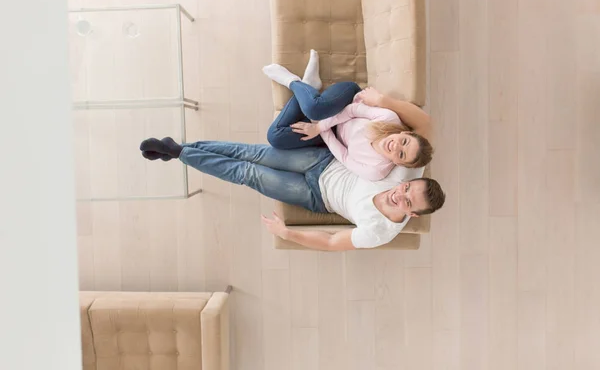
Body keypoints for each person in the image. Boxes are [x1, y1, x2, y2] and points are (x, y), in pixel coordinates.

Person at [139, 138, 446, 251]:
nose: (398, 195)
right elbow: (423, 136)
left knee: (249, 173)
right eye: (405, 189)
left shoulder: (381, 232)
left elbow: (330, 242)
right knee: (253, 153)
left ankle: (179, 152)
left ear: (412, 214)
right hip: (323, 160)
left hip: (315, 195)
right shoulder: (407, 174)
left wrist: (286, 233)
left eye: (407, 202)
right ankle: (181, 149)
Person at [263, 51, 433, 181]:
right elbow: (353, 111)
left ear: (399, 164)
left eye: (401, 154)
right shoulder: (389, 119)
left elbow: (344, 156)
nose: (396, 147)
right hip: (347, 102)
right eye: (404, 142)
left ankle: (308, 86)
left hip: (331, 132)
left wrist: (320, 130)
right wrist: (318, 125)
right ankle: (292, 81)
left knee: (275, 137)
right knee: (315, 110)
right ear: (405, 133)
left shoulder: (376, 171)